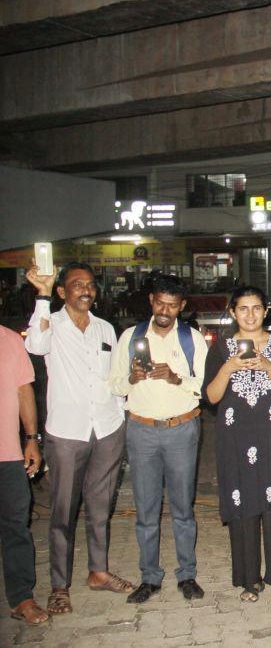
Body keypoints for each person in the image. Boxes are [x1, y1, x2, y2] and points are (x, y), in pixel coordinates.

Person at [24, 262, 135, 615]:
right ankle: (60, 586)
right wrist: (42, 295)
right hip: (68, 432)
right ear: (62, 291)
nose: (85, 290)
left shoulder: (105, 328)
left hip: (107, 428)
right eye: (76, 284)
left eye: (89, 285)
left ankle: (98, 572)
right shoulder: (50, 324)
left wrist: (121, 415)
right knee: (63, 513)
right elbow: (35, 345)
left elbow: (114, 378)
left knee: (100, 508)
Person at [110, 273, 208, 604]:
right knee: (146, 510)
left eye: (172, 305)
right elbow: (114, 385)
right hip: (141, 431)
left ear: (182, 306)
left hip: (181, 429)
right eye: (160, 303)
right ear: (151, 301)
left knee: (183, 508)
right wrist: (132, 378)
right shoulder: (131, 337)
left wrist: (176, 377)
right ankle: (149, 577)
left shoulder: (192, 339)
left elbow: (204, 386)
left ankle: (187, 574)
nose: (165, 311)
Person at [202, 286, 271, 603]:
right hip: (235, 436)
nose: (250, 315)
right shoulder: (220, 348)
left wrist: (268, 366)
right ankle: (249, 578)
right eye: (243, 308)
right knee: (242, 501)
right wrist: (229, 367)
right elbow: (211, 397)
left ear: (265, 311)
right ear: (233, 313)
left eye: (256, 308)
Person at [0, 324, 49, 626]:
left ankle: (21, 598)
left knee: (16, 526)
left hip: (7, 452)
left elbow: (23, 389)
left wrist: (32, 439)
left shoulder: (9, 340)